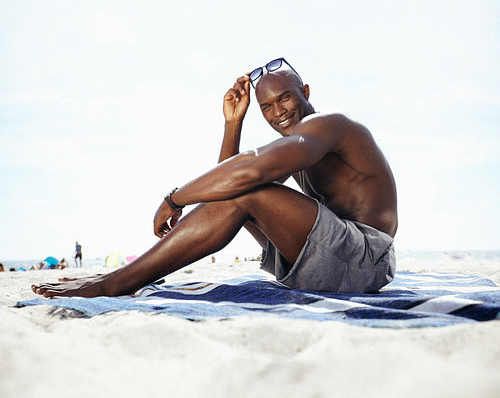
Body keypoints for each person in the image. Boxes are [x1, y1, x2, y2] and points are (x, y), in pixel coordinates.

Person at [32, 57, 397, 298]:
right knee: (241, 187)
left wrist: (175, 198)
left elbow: (251, 171)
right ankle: (119, 278)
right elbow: (227, 190)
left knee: (248, 185)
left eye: (284, 98)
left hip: (364, 259)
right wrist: (232, 123)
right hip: (331, 262)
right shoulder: (299, 145)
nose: (276, 112)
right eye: (266, 107)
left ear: (305, 92)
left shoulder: (327, 125)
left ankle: (117, 282)